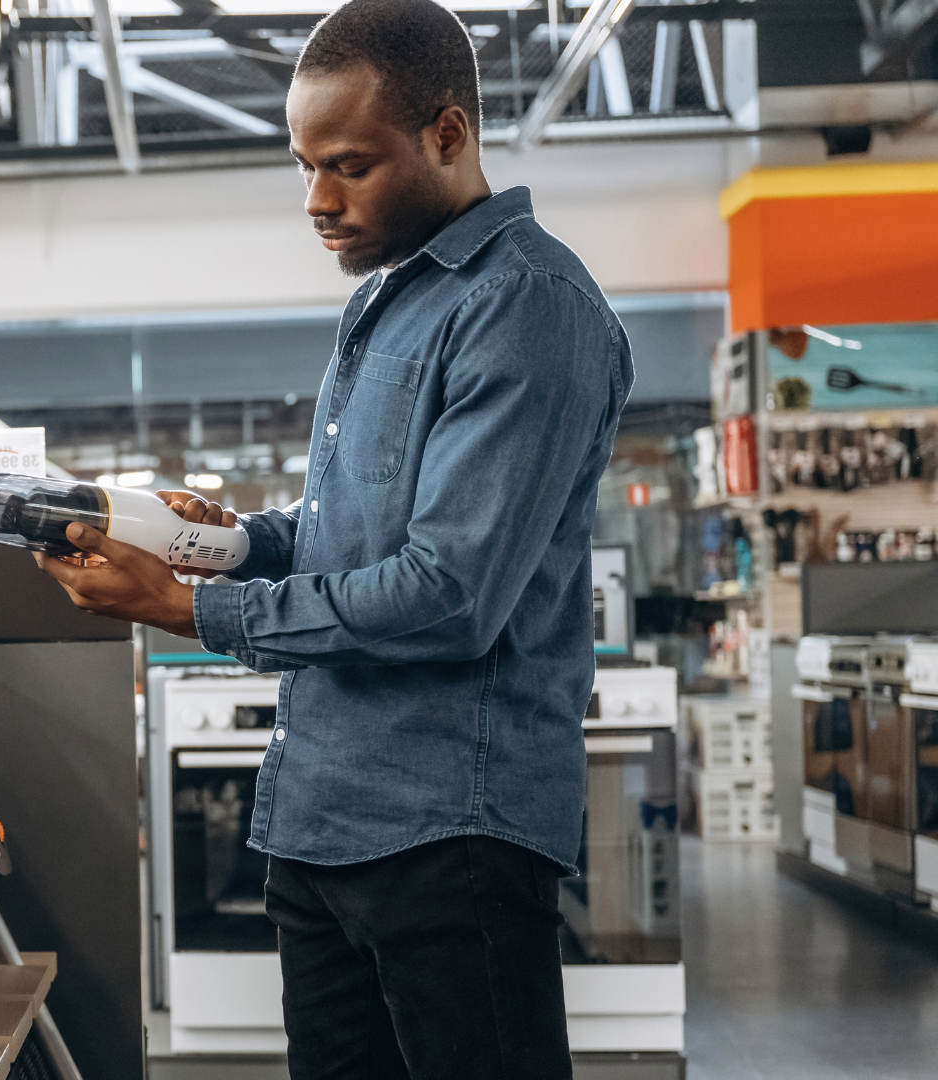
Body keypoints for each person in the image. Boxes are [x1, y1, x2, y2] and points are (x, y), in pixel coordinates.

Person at [33, 1, 634, 1077]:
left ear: (447, 135)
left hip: (449, 832)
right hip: (319, 820)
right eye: (305, 166)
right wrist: (223, 547)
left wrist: (185, 609)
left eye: (349, 165)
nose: (317, 201)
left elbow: (448, 593)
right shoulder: (387, 302)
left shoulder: (528, 307)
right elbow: (348, 539)